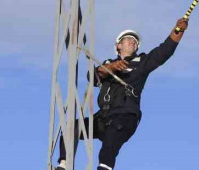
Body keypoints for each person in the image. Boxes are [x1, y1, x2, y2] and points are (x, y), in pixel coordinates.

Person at [55, 17, 189, 170]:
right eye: (129, 39)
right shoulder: (107, 64)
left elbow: (163, 52)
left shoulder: (141, 63)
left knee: (110, 143)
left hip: (125, 117)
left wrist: (178, 31)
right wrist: (112, 67)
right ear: (118, 45)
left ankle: (104, 168)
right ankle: (64, 165)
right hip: (104, 117)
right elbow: (91, 77)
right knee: (72, 126)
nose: (133, 42)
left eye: (135, 41)